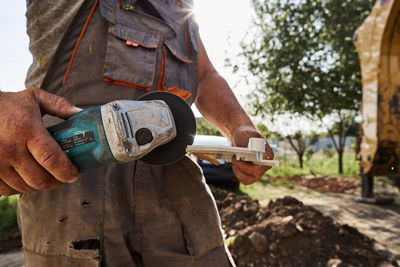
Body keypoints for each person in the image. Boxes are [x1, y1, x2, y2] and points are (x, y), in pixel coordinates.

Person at [0, 0, 274, 266]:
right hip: (73, 178)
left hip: (177, 192)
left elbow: (203, 75)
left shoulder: (181, 7)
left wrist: (240, 126)